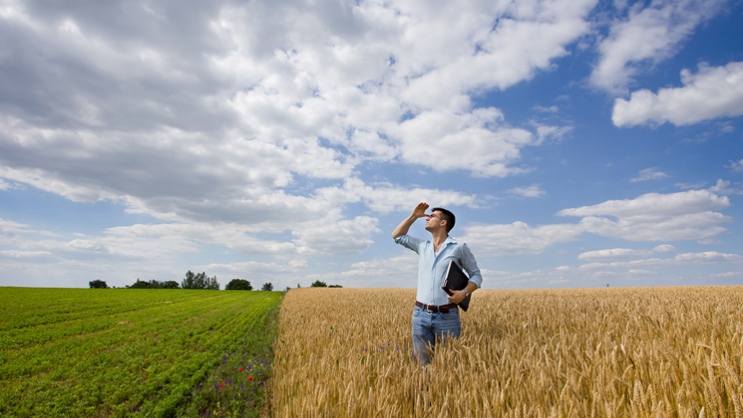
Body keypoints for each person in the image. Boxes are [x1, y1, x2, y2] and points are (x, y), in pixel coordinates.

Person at [392, 202, 482, 366]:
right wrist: (413, 216)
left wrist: (464, 293)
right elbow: (397, 236)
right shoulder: (422, 246)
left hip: (447, 316)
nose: (427, 218)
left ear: (443, 223)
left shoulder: (459, 247)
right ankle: (424, 391)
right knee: (422, 364)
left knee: (448, 365)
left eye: (432, 216)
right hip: (420, 314)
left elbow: (476, 275)